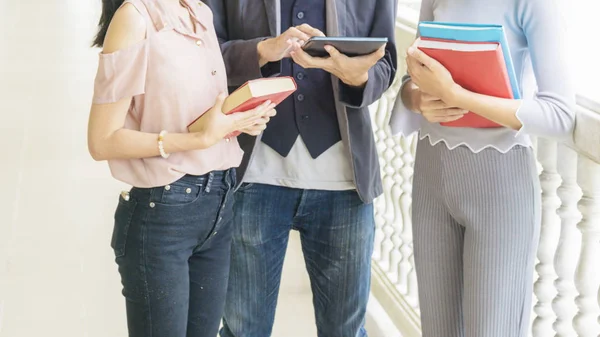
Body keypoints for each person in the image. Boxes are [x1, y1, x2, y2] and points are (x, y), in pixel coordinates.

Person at [201, 0, 398, 336]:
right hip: (253, 175)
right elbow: (205, 55)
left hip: (345, 184)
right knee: (242, 330)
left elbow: (386, 64)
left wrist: (358, 76)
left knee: (346, 331)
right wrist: (263, 50)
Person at [87, 1, 276, 336]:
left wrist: (237, 121)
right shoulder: (134, 18)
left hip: (219, 202)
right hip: (162, 213)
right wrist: (198, 140)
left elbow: (196, 119)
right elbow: (102, 141)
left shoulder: (200, 12)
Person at [390, 0, 576, 336]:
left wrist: (458, 96)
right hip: (431, 176)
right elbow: (410, 82)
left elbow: (560, 116)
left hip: (501, 189)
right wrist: (418, 98)